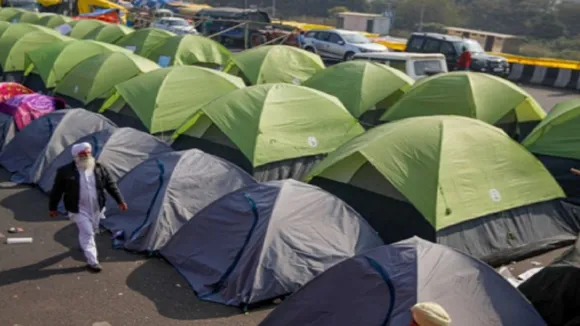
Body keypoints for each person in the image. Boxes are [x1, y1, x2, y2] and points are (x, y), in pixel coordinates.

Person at [49, 142, 128, 273]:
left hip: (97, 208)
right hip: (78, 209)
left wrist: (120, 200)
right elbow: (57, 191)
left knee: (92, 229)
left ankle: (84, 245)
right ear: (75, 156)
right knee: (88, 232)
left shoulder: (99, 168)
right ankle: (93, 261)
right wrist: (52, 207)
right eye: (82, 154)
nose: (86, 156)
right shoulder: (65, 171)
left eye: (88, 153)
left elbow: (111, 185)